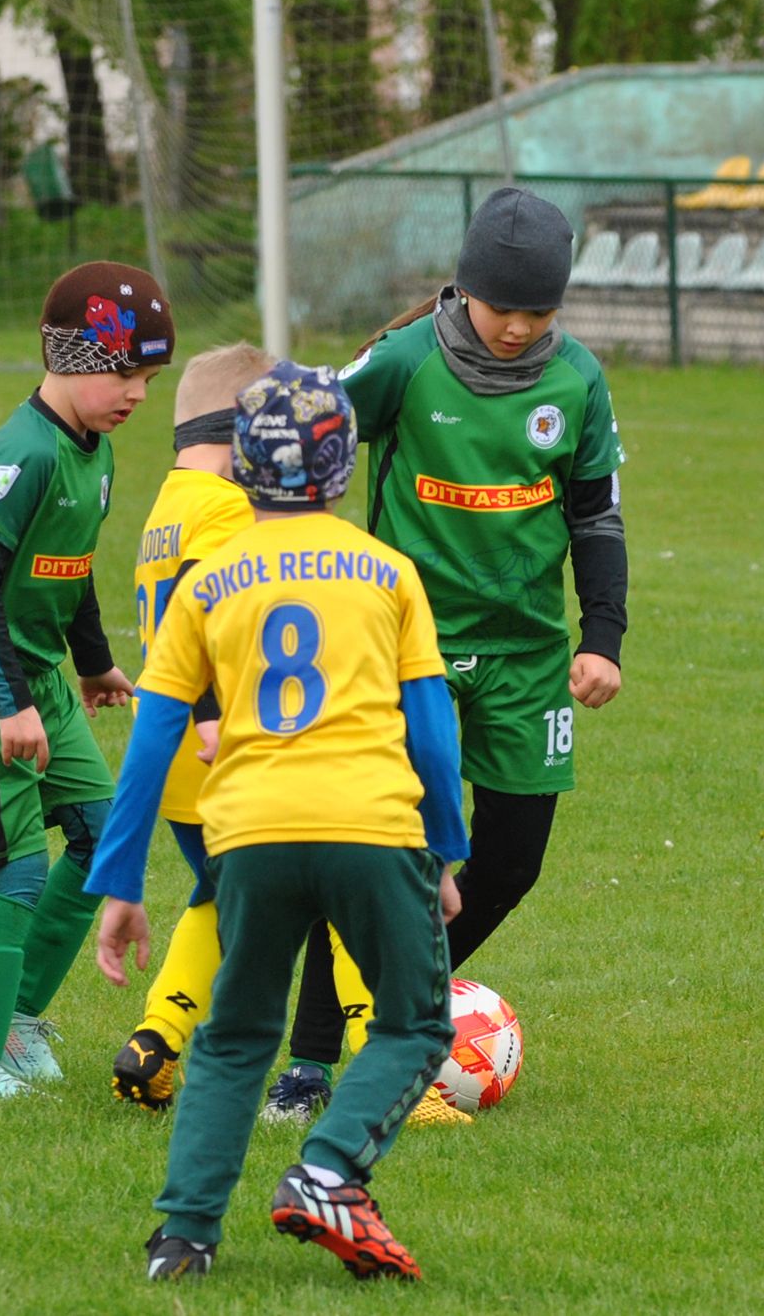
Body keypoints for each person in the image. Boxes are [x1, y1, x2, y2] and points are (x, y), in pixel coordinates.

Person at [88, 361, 469, 1282]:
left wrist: (120, 882)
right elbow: (431, 730)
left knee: (233, 1036)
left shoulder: (210, 583)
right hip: (372, 828)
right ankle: (329, 1168)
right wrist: (446, 850)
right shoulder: (388, 573)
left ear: (238, 468)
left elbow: (152, 741)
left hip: (250, 833)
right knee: (415, 1025)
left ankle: (183, 1236)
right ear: (341, 472)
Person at [267, 184, 628, 1119]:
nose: (517, 327)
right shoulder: (405, 360)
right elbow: (305, 438)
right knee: (366, 852)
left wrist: (603, 638)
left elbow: (597, 515)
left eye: (538, 310)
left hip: (526, 657)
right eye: (501, 305)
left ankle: (390, 1008)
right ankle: (309, 1062)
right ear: (464, 288)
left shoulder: (578, 379)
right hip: (401, 650)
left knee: (510, 863)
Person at [0, 261, 173, 1099]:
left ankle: (18, 1015)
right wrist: (12, 702)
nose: (137, 393)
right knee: (18, 869)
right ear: (69, 357)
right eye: (124, 373)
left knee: (102, 832)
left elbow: (72, 569)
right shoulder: (19, 455)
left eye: (149, 378)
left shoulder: (90, 452)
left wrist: (92, 663)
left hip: (38, 673)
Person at [108, 341, 270, 1110]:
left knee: (216, 897)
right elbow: (206, 612)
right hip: (225, 747)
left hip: (172, 765)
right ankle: (401, 1069)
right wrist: (213, 713)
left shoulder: (168, 503)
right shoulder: (231, 508)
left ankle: (155, 1040)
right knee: (340, 899)